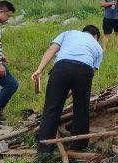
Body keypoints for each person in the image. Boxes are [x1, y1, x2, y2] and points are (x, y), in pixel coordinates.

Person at [33, 26, 104, 154]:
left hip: (61, 68)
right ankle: (78, 146)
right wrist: (71, 90)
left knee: (51, 108)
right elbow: (91, 72)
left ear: (83, 31)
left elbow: (52, 49)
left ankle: (44, 149)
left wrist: (39, 69)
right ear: (95, 36)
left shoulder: (68, 33)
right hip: (84, 71)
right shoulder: (98, 47)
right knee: (81, 109)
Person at [0, 0, 19, 126]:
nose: (7, 19)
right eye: (8, 15)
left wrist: (0, 56)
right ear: (1, 11)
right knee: (12, 84)